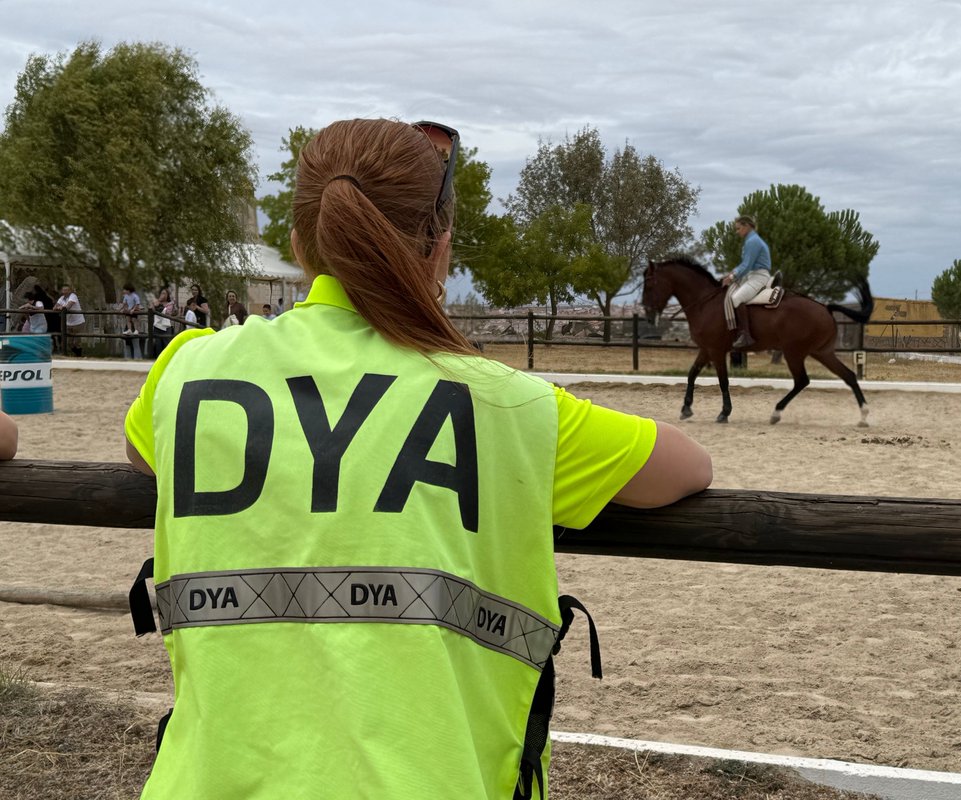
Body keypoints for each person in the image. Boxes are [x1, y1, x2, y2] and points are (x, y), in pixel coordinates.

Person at [123, 117, 712, 800]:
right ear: (439, 250)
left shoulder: (186, 369)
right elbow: (687, 468)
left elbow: (142, 451)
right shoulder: (504, 404)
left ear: (298, 241)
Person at [721, 214, 772, 349]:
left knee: (736, 297)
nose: (737, 232)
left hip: (758, 276)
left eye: (738, 229)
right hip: (751, 275)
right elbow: (744, 265)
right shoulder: (751, 240)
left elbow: (747, 265)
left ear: (747, 226)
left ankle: (746, 335)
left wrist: (731, 277)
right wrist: (732, 273)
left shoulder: (752, 241)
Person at [53, 284, 86, 357]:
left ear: (70, 291)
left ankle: (79, 356)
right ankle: (75, 354)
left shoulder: (73, 296)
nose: (65, 292)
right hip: (68, 323)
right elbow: (55, 307)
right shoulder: (61, 298)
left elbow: (68, 306)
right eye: (64, 290)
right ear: (62, 291)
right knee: (69, 342)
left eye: (67, 290)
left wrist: (61, 307)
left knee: (77, 342)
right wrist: (59, 307)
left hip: (78, 322)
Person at [148, 288, 176, 359]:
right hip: (157, 326)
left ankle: (168, 359)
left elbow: (167, 312)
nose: (163, 295)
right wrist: (154, 303)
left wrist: (158, 304)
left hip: (166, 327)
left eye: (164, 293)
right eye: (162, 293)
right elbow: (151, 309)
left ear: (167, 295)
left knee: (167, 344)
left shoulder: (170, 303)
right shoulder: (157, 302)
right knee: (158, 345)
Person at [119, 282, 143, 359]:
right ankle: (129, 329)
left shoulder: (135, 296)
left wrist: (133, 309)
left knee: (134, 320)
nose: (123, 291)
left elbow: (137, 304)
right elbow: (124, 304)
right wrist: (122, 309)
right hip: (129, 312)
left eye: (125, 290)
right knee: (128, 319)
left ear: (128, 290)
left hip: (133, 312)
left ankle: (137, 358)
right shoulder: (125, 297)